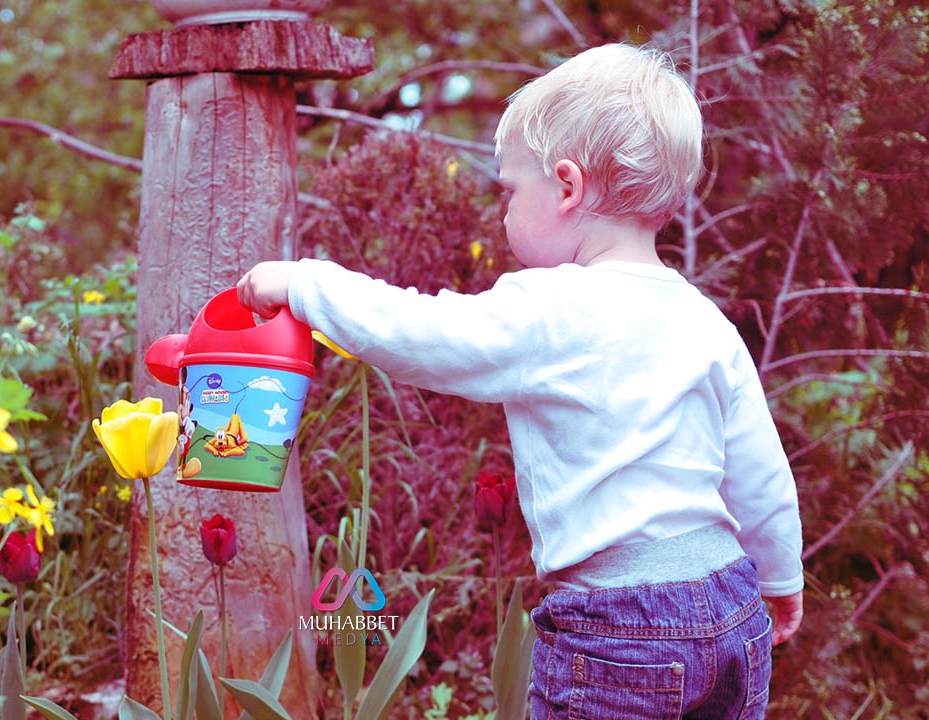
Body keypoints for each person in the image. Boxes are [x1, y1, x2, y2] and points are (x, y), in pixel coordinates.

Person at [236, 42, 803, 718]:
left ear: (566, 188)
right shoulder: (703, 320)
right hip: (732, 608)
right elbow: (760, 470)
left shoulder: (552, 308)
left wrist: (302, 283)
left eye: (509, 190)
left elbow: (420, 333)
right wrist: (780, 575)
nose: (503, 212)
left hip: (623, 628)